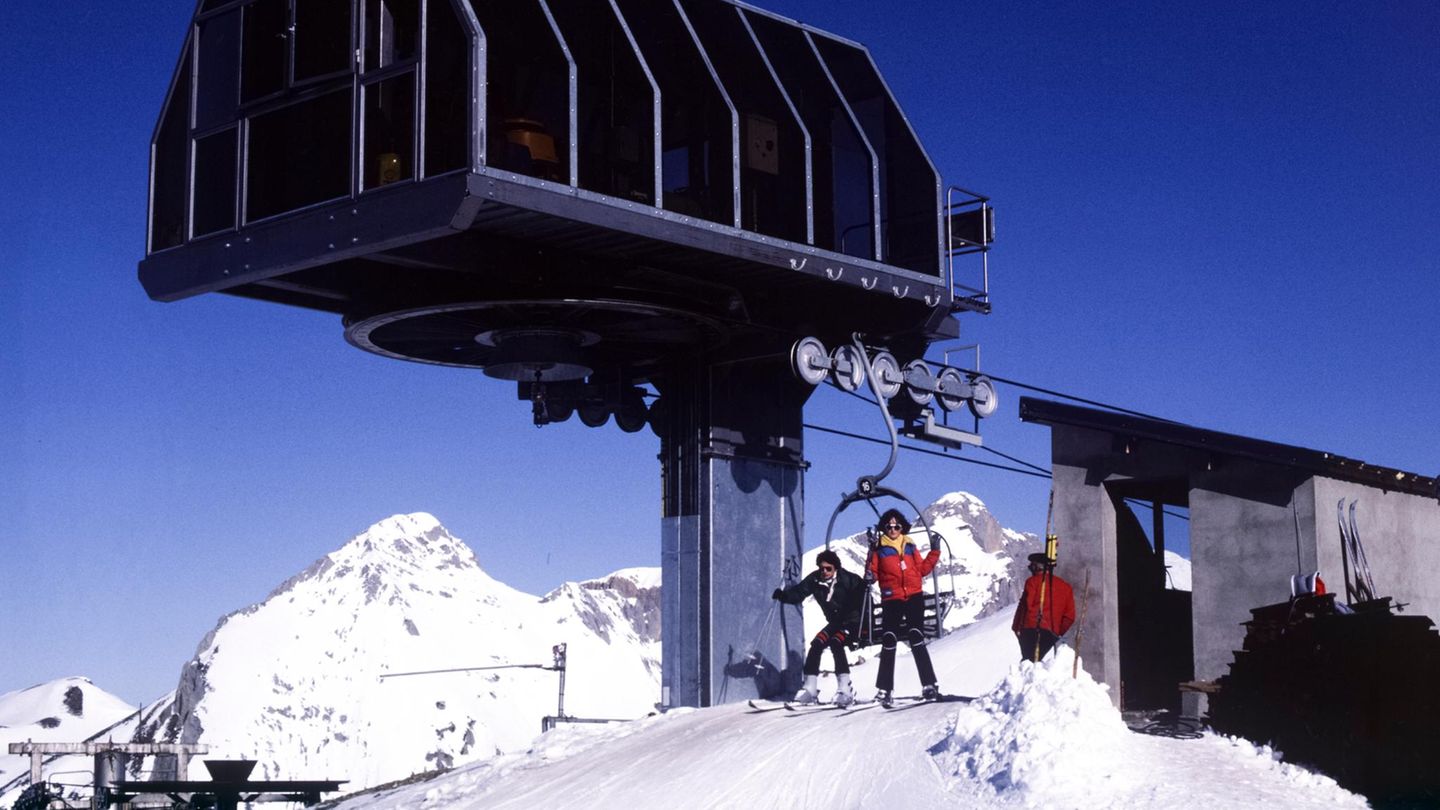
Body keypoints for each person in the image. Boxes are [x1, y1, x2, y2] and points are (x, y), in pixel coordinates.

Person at [866, 509, 942, 706]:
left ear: (902, 528)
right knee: (889, 638)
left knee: (916, 635)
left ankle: (929, 684)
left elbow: (922, 569)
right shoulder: (879, 549)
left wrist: (934, 552)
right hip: (892, 598)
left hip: (914, 596)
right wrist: (870, 554)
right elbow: (872, 575)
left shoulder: (909, 546)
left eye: (897, 526)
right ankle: (885, 688)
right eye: (889, 526)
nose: (893, 530)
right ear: (884, 528)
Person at [772, 550, 866, 706]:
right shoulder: (815, 580)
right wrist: (783, 596)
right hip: (836, 623)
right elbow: (799, 592)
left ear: (835, 568)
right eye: (822, 568)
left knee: (836, 642)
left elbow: (864, 597)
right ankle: (810, 689)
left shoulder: (848, 579)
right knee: (817, 644)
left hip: (854, 622)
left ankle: (845, 689)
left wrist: (863, 624)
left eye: (829, 568)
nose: (825, 572)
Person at [1012, 552, 1077, 661]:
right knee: (1035, 660)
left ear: (1036, 567)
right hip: (1051, 633)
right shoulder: (1066, 587)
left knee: (1028, 662)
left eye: (1031, 566)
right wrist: (1056, 632)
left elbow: (1026, 607)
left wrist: (1017, 628)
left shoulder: (1032, 582)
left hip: (1030, 629)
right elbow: (1070, 617)